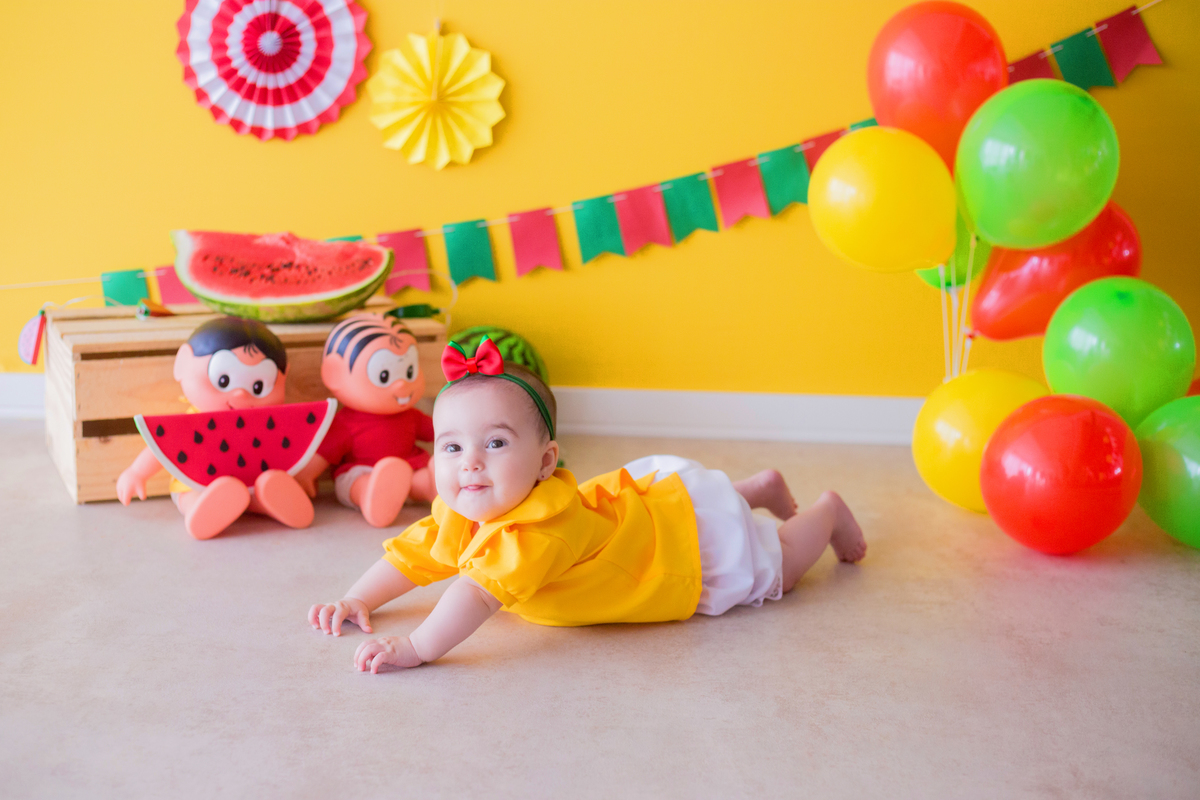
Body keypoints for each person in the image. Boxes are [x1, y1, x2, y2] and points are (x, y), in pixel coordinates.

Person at [309, 337, 866, 672]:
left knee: (782, 568)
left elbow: (475, 597)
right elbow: (415, 554)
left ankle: (826, 512)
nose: (469, 463)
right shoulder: (465, 510)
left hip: (675, 550)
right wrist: (358, 597)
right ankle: (754, 490)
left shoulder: (538, 532)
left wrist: (415, 647)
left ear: (546, 462)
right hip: (649, 511)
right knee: (713, 507)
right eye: (451, 447)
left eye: (496, 443)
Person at [116, 316, 314, 539]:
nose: (241, 394)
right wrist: (137, 473)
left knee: (257, 489)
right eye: (224, 381)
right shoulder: (189, 423)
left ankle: (270, 498)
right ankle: (198, 511)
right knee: (188, 496)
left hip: (252, 480)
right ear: (182, 363)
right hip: (191, 485)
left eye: (258, 386)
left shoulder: (267, 422)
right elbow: (162, 446)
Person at [294, 313, 435, 527]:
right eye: (385, 376)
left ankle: (433, 489)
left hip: (410, 469)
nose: (402, 385)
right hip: (363, 471)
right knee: (354, 484)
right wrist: (305, 476)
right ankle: (370, 497)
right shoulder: (344, 423)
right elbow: (324, 452)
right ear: (335, 374)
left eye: (409, 371)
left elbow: (439, 431)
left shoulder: (412, 416)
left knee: (422, 477)